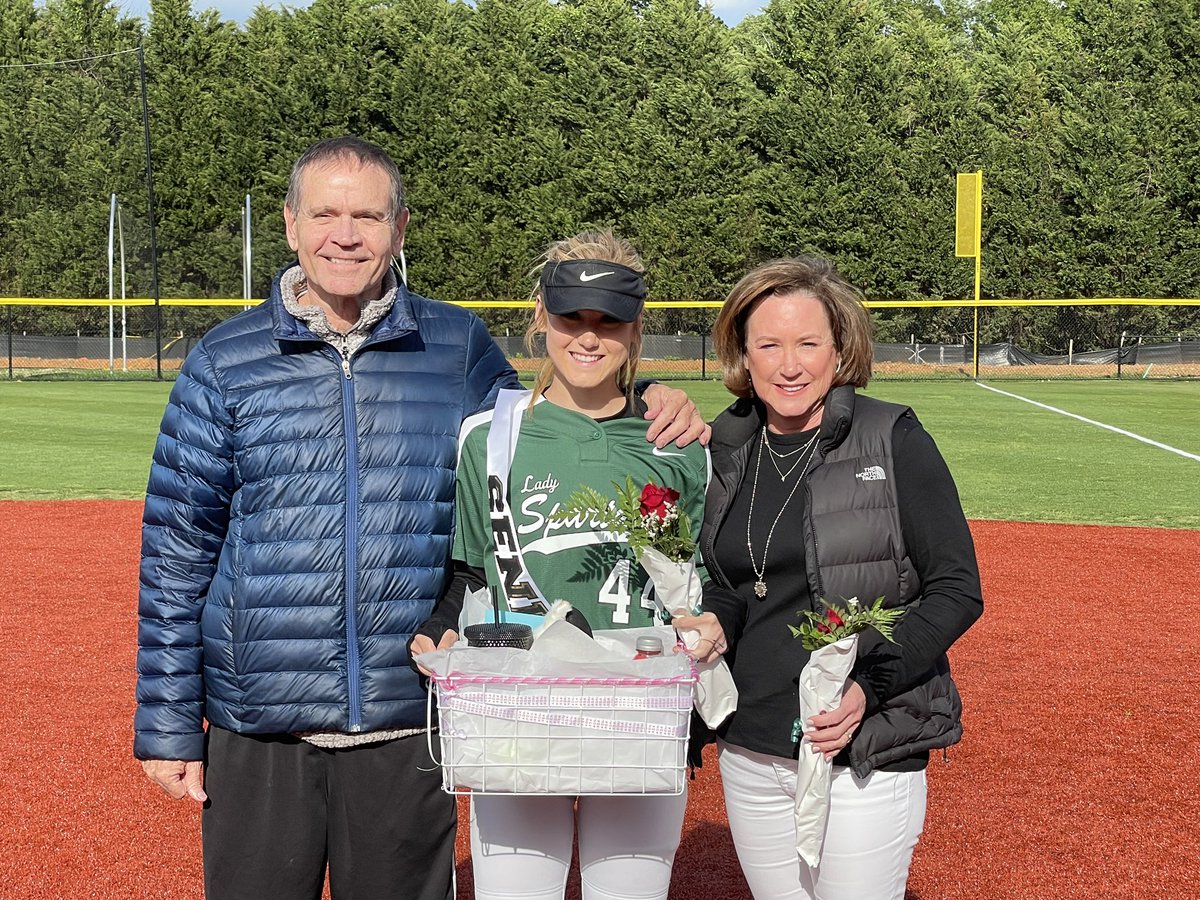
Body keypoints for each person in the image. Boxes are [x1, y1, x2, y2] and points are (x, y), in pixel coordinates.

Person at [133, 137, 706, 900]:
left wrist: (651, 398)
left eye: (367, 215)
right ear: (290, 224)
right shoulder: (224, 359)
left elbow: (556, 415)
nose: (346, 234)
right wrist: (170, 725)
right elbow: (178, 552)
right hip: (259, 720)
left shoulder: (456, 345)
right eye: (327, 213)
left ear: (399, 229)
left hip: (409, 720)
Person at [410, 230, 720, 900]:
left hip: (635, 708)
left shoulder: (679, 444)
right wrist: (441, 626)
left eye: (609, 320)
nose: (588, 337)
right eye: (570, 318)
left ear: (637, 327)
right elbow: (468, 571)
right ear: (541, 320)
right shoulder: (490, 437)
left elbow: (693, 581)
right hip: (518, 702)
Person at [695, 255, 983, 899]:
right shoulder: (725, 444)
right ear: (742, 351)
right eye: (768, 344)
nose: (789, 365)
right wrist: (715, 618)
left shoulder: (892, 437)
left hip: (859, 749)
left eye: (808, 343)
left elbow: (958, 588)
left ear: (839, 347)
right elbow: (729, 580)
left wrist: (867, 685)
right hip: (750, 746)